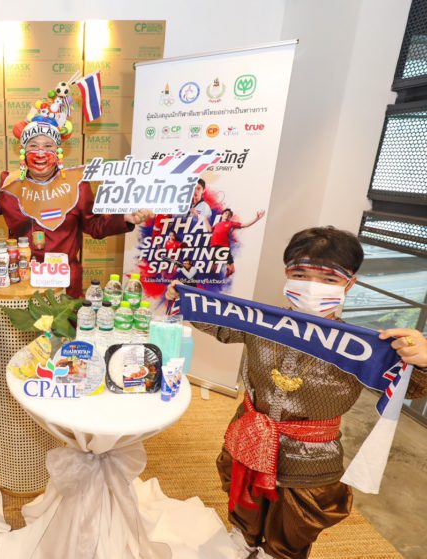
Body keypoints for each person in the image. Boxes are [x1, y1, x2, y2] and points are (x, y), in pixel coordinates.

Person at [166, 226, 427, 559]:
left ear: (350, 283)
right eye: (301, 275)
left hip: (311, 456)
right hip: (249, 433)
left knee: (295, 522)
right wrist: (185, 299)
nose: (312, 286)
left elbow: (410, 387)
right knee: (243, 497)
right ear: (287, 275)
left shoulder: (365, 346)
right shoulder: (259, 321)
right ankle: (243, 538)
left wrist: (422, 362)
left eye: (328, 278)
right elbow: (218, 321)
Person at [0, 82, 152, 297]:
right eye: (33, 146)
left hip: (65, 287)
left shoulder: (77, 183)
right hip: (21, 284)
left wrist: (125, 217)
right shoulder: (9, 185)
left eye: (48, 146)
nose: (40, 153)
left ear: (58, 151)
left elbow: (94, 225)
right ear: (23, 151)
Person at [207, 208, 266, 277]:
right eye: (226, 213)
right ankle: (210, 279)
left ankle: (224, 277)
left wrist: (256, 219)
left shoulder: (231, 223)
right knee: (212, 268)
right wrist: (205, 220)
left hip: (224, 247)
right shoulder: (217, 224)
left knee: (232, 270)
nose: (227, 215)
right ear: (222, 215)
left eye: (229, 215)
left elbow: (245, 225)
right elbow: (210, 230)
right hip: (215, 247)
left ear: (230, 217)